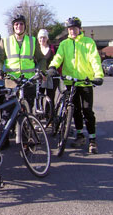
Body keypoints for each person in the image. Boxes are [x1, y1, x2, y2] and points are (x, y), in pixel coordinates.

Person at [47, 17, 104, 154]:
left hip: (85, 81)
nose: (72, 31)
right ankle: (79, 135)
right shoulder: (64, 44)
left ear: (79, 28)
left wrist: (98, 75)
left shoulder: (88, 42)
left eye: (74, 28)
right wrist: (53, 66)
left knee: (87, 110)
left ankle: (92, 139)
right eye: (69, 29)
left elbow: (94, 59)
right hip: (70, 82)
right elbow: (58, 57)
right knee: (75, 110)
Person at [0, 14, 45, 148]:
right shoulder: (5, 41)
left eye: (21, 24)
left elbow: (41, 59)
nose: (18, 26)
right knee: (7, 112)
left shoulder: (32, 41)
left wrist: (40, 71)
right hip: (11, 81)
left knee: (27, 112)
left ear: (25, 26)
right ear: (13, 27)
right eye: (16, 24)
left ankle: (26, 139)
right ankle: (4, 139)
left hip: (28, 82)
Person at [37, 29, 58, 109]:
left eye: (44, 37)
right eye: (41, 37)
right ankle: (39, 115)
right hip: (39, 77)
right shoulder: (35, 50)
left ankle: (49, 116)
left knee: (50, 97)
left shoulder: (53, 49)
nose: (42, 39)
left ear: (47, 38)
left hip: (51, 76)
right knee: (39, 97)